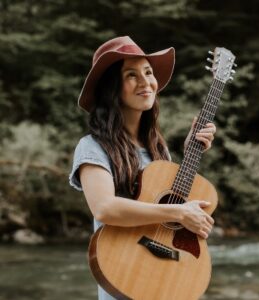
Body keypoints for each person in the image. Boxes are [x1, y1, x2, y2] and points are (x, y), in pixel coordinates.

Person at [69, 36, 216, 300]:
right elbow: (105, 208)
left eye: (148, 72)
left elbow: (169, 212)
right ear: (112, 88)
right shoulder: (92, 146)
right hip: (123, 275)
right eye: (131, 75)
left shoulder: (158, 149)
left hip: (168, 278)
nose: (145, 81)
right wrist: (180, 213)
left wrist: (193, 218)